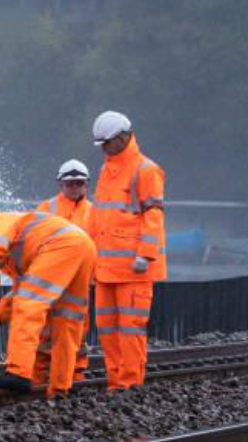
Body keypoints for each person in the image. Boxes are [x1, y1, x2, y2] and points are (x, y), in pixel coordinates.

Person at [0, 212, 97, 397]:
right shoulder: (24, 236)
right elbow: (21, 288)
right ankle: (60, 387)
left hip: (61, 245)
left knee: (28, 305)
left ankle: (18, 373)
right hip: (84, 246)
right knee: (67, 318)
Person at [89, 110, 167, 390]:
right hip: (106, 268)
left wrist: (145, 254)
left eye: (107, 143)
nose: (104, 149)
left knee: (130, 328)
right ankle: (115, 381)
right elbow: (99, 217)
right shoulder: (105, 170)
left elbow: (153, 214)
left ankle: (130, 383)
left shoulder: (145, 169)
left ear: (122, 137)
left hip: (134, 269)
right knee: (108, 329)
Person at [34, 159, 95, 384]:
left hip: (80, 282)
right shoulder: (46, 209)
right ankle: (39, 377)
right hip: (51, 280)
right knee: (44, 331)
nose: (75, 187)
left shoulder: (95, 212)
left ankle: (75, 375)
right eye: (70, 184)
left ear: (86, 185)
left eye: (79, 183)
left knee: (78, 332)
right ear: (61, 185)